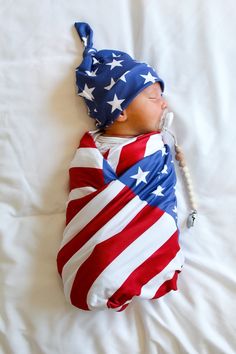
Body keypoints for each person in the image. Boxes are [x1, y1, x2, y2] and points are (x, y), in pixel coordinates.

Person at [56, 22, 185, 312]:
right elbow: (86, 191)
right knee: (103, 258)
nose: (164, 104)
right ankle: (100, 270)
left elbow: (163, 192)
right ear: (121, 110)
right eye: (153, 97)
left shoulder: (155, 148)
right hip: (102, 239)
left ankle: (145, 261)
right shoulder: (92, 152)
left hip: (153, 237)